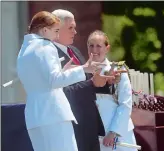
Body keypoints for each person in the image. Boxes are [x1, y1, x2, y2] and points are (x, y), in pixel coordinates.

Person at [17, 11, 103, 151]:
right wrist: (83, 69)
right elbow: (54, 80)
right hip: (54, 114)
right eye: (56, 31)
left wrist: (65, 72)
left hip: (34, 116)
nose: (57, 36)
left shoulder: (24, 50)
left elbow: (41, 80)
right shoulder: (46, 45)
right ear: (45, 30)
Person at [51, 9, 111, 151]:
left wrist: (107, 82)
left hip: (88, 122)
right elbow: (59, 89)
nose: (75, 32)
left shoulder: (74, 51)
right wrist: (92, 83)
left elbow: (89, 80)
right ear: (57, 29)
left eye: (75, 27)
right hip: (72, 124)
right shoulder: (51, 55)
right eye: (71, 28)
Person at [87, 30, 137, 151]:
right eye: (91, 45)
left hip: (118, 134)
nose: (94, 50)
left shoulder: (118, 69)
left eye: (99, 46)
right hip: (94, 134)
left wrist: (113, 132)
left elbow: (125, 103)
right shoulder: (81, 71)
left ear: (107, 48)